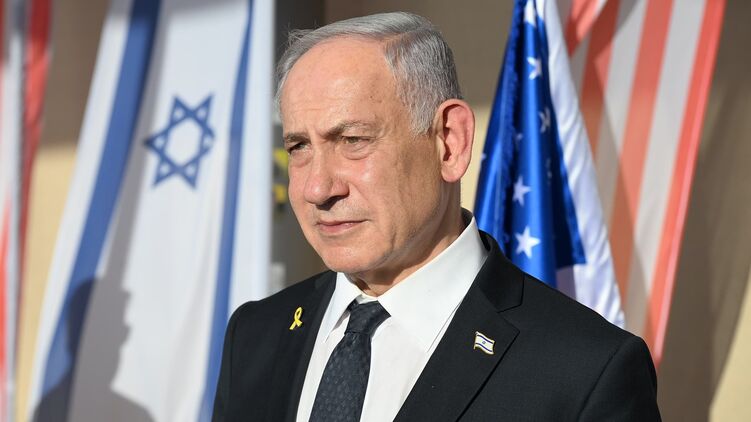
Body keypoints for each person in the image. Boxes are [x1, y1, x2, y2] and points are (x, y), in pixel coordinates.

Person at [212, 11, 660, 422]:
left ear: (449, 142)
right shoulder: (255, 335)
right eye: (299, 147)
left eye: (352, 140)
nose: (317, 188)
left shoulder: (585, 372)